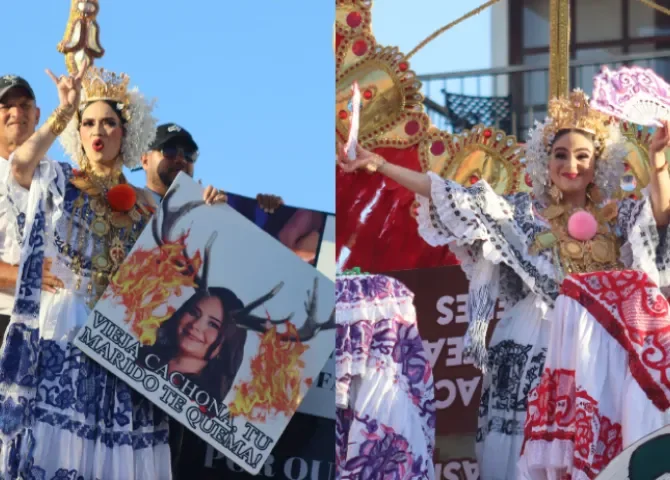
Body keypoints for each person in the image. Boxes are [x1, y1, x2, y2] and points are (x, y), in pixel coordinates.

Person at [337, 89, 670, 479]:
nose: (571, 165)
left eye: (583, 156)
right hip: (535, 341)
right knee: (523, 450)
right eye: (560, 155)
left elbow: (659, 219)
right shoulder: (523, 214)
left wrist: (658, 162)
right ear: (545, 162)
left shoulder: (619, 217)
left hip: (599, 348)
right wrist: (382, 165)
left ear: (599, 164)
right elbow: (452, 196)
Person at [0, 62, 224, 478]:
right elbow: (19, 166)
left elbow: (189, 276)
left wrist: (211, 215)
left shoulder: (150, 204)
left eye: (108, 123)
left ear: (126, 131)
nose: (97, 131)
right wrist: (62, 110)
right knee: (56, 446)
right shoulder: (59, 178)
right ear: (78, 132)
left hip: (125, 344)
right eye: (87, 123)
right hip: (64, 327)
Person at [0, 75, 61, 343]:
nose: (16, 113)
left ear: (37, 115)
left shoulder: (59, 179)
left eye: (24, 105)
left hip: (54, 325)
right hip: (5, 316)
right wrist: (27, 275)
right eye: (6, 106)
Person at [137, 287, 247, 403]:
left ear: (227, 345)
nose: (195, 325)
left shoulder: (204, 404)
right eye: (194, 313)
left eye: (213, 324)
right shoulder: (139, 352)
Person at [140, 122, 282, 212]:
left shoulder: (211, 209)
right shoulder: (128, 208)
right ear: (145, 160)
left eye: (189, 153)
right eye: (169, 150)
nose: (181, 159)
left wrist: (268, 216)